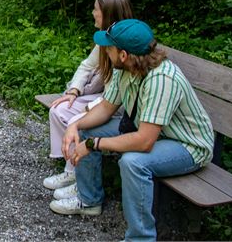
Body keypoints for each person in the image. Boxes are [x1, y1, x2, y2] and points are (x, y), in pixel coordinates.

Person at [50, 19, 214, 242]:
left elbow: (144, 142)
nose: (105, 52)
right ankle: (89, 201)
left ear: (124, 54)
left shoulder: (162, 79)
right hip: (153, 133)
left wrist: (93, 144)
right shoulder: (124, 69)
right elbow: (106, 109)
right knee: (88, 129)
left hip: (187, 146)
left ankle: (140, 238)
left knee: (133, 162)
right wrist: (75, 125)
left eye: (109, 47)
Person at [42, 0, 133, 199]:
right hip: (105, 99)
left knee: (77, 119)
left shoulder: (124, 45)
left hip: (117, 106)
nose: (92, 13)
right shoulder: (105, 39)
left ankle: (79, 177)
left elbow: (118, 97)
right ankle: (70, 172)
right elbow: (87, 66)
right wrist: (74, 91)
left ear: (108, 15)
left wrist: (88, 109)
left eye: (96, 9)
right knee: (59, 108)